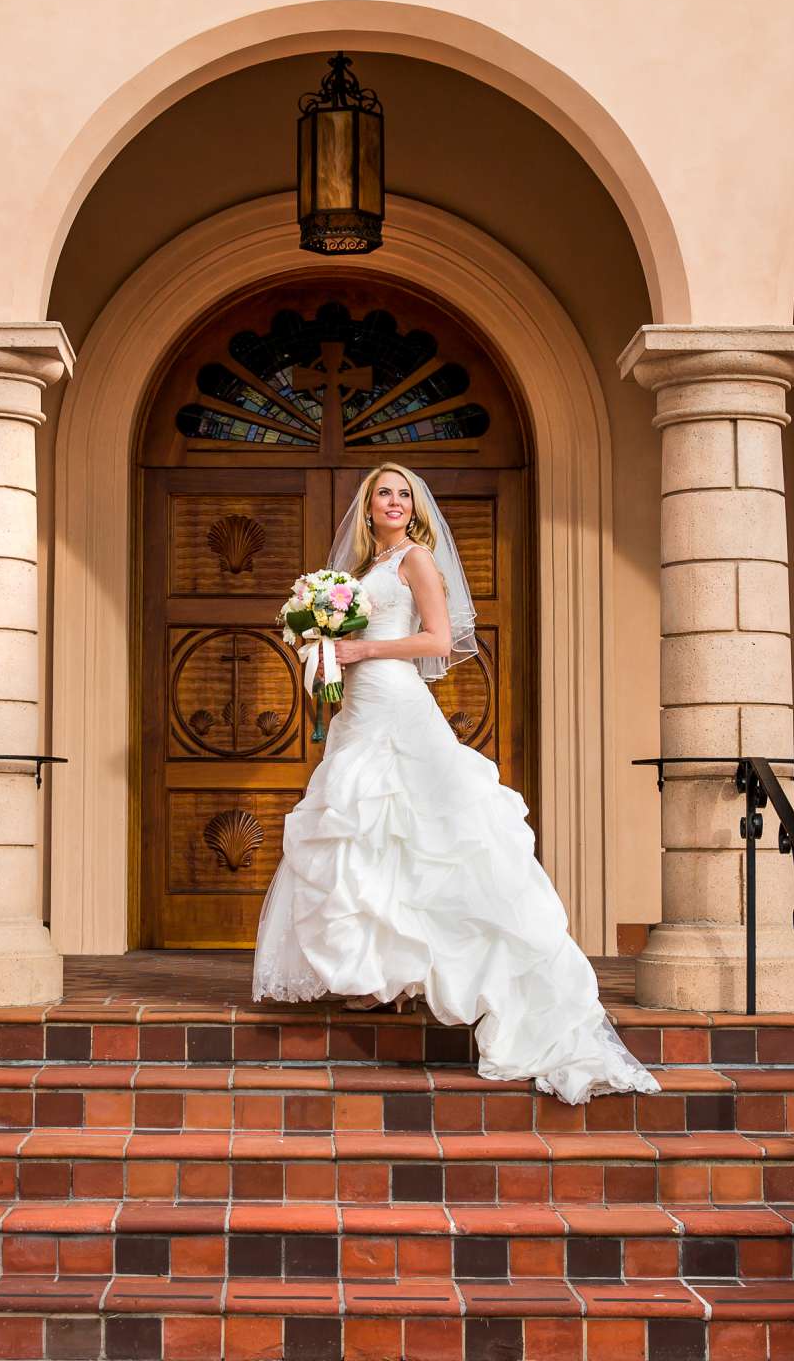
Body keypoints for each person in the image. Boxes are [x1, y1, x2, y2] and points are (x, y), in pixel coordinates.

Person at [251, 462, 660, 1105]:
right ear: (367, 507)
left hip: (396, 702)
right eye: (382, 492)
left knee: (425, 829)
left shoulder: (417, 561)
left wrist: (359, 651)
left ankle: (465, 972)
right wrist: (323, 645)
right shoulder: (355, 576)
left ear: (414, 508)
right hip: (358, 709)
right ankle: (375, 975)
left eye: (402, 493)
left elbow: (438, 639)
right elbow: (347, 639)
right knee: (362, 827)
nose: (391, 500)